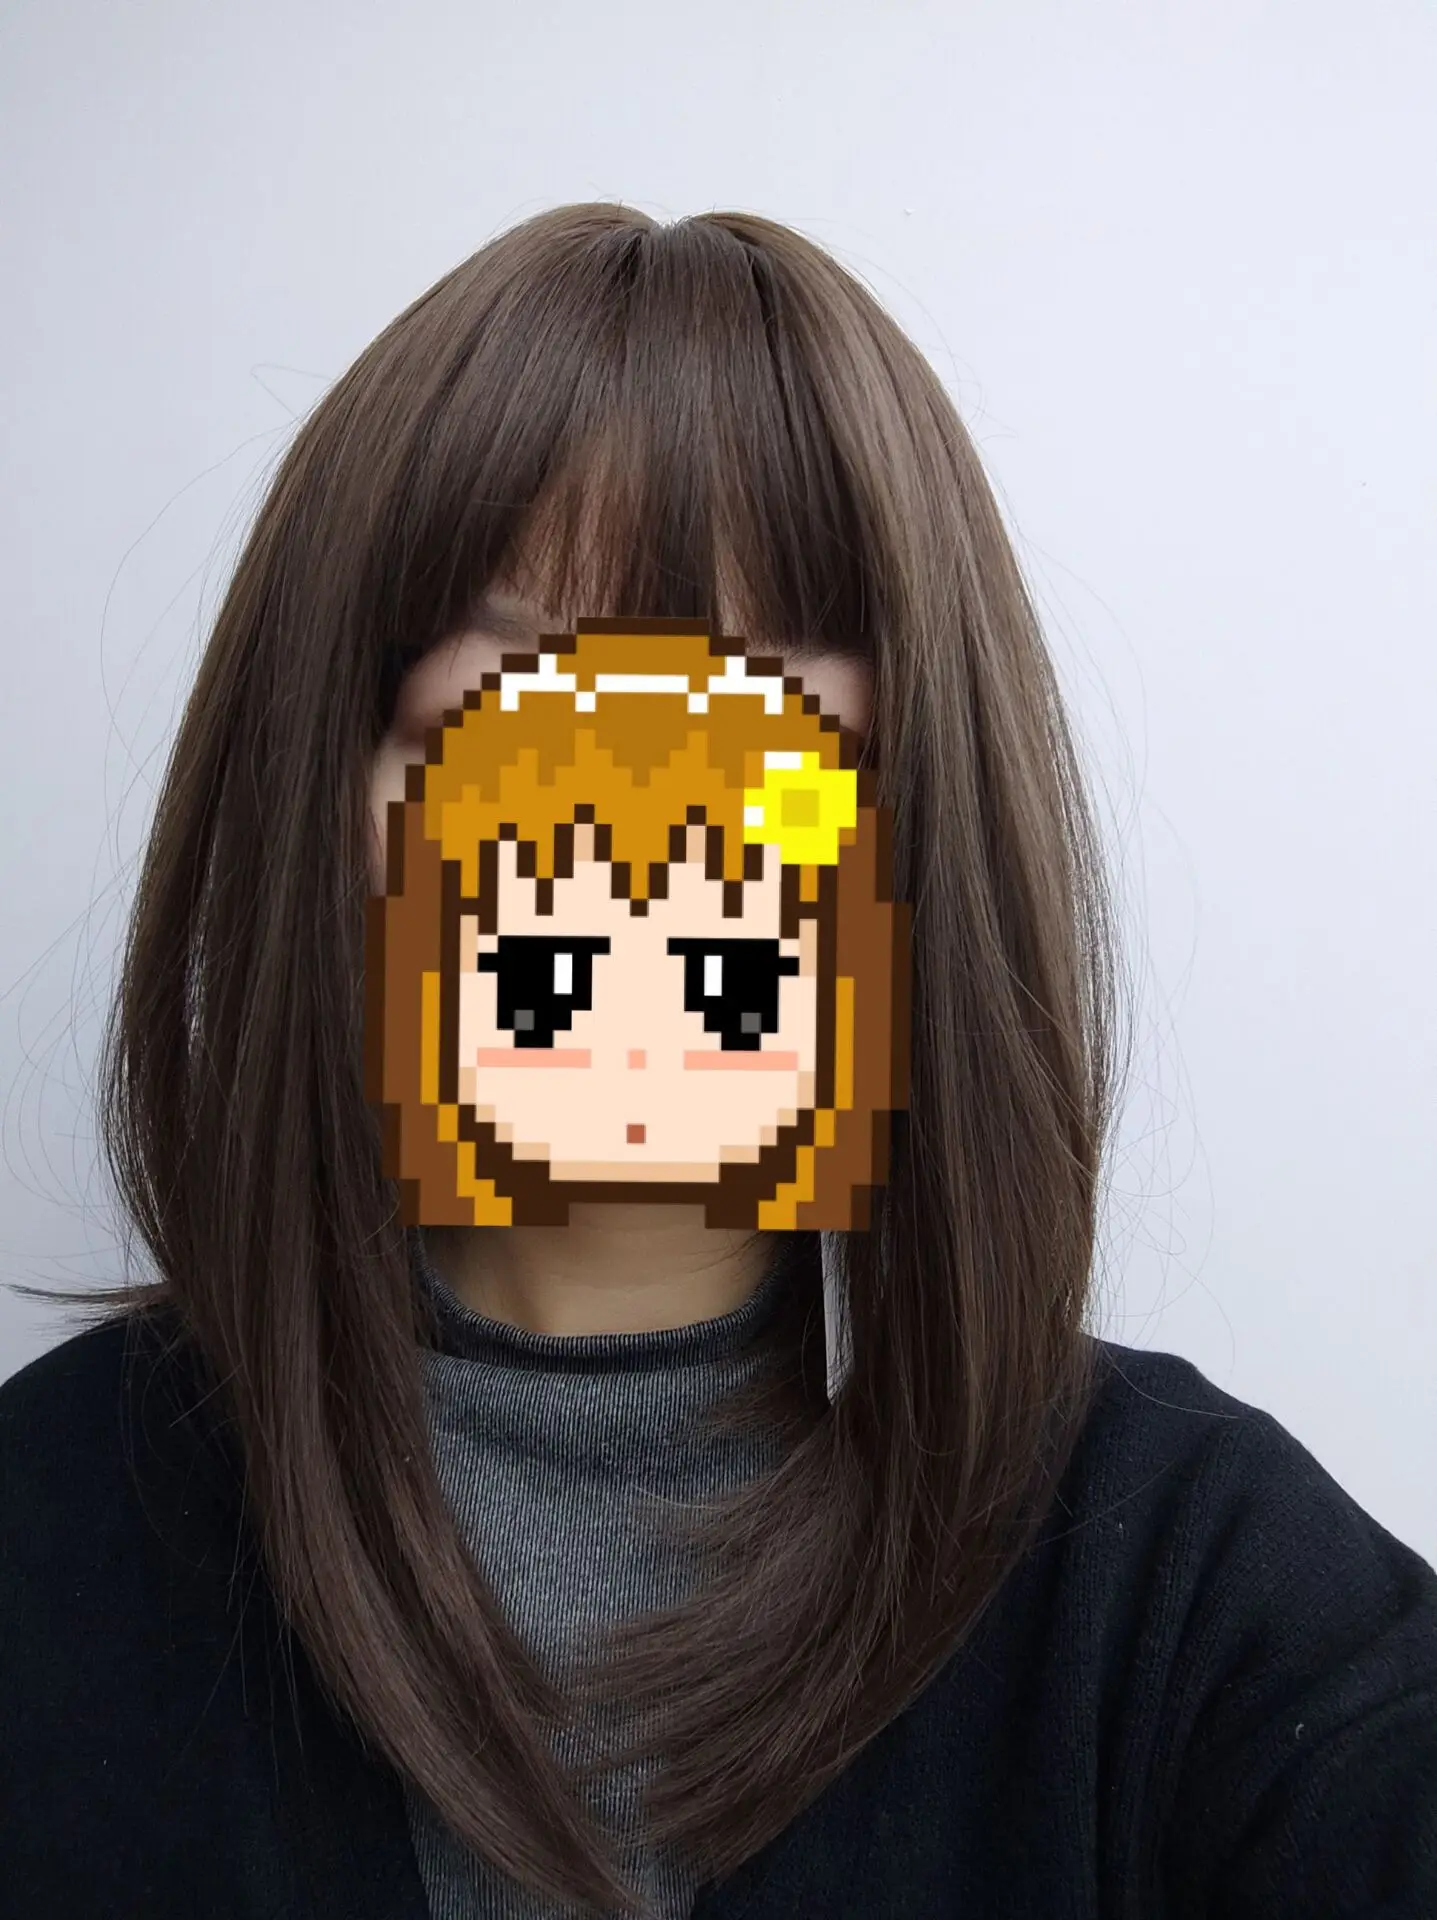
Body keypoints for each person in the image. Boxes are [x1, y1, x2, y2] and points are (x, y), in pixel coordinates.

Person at [1, 201, 1433, 1920]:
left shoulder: (1198, 1585)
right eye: (504, 704)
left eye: (776, 730)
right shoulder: (49, 1536)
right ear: (322, 800)